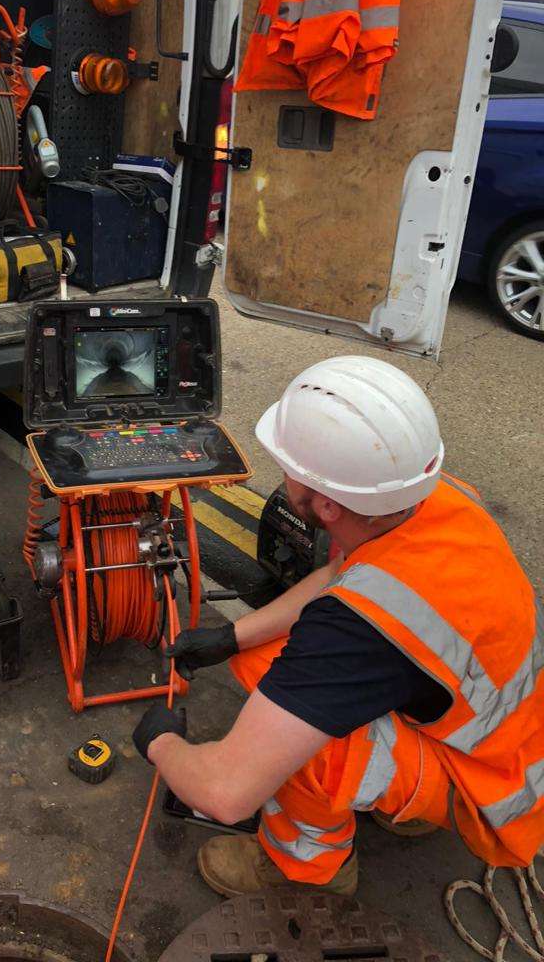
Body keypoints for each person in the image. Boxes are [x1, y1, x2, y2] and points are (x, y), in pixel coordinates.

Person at [132, 355, 544, 898]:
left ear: (322, 504)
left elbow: (226, 793)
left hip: (496, 798)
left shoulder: (354, 634)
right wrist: (230, 637)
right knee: (261, 659)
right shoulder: (437, 499)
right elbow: (340, 573)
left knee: (309, 751)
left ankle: (308, 869)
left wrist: (161, 743)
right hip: (502, 733)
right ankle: (406, 806)